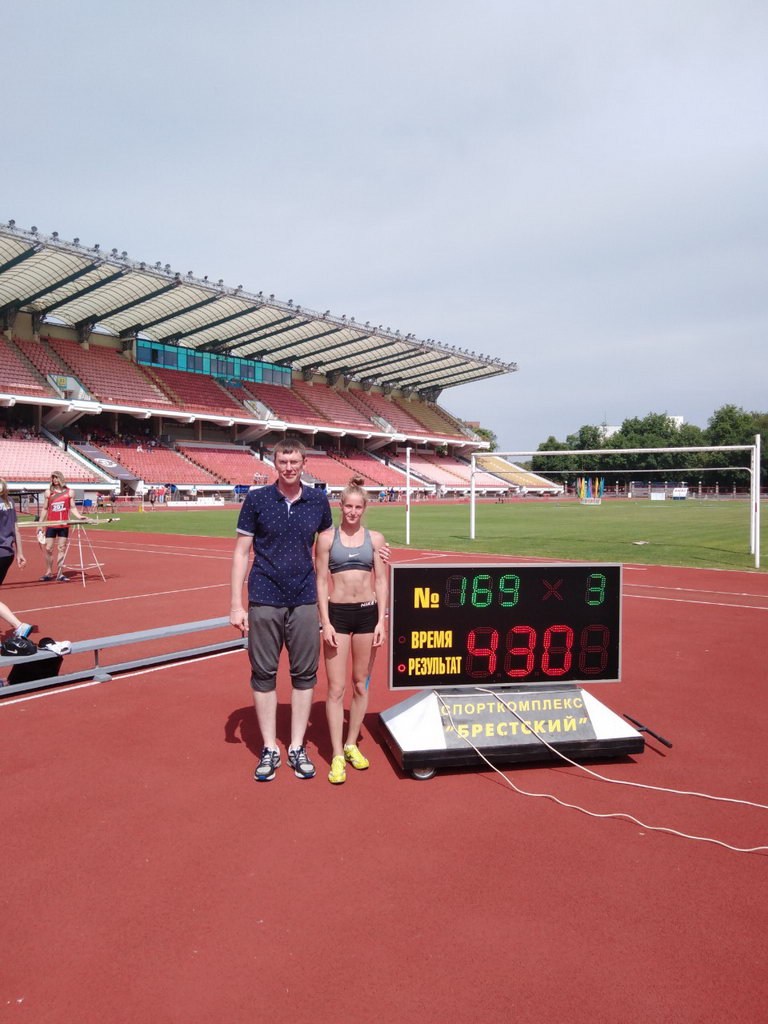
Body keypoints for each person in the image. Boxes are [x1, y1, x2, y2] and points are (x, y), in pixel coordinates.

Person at [230, 439, 333, 782]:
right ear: (274, 464)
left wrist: (372, 547)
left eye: (294, 462)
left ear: (304, 464)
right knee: (263, 674)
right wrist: (236, 604)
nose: (289, 467)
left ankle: (297, 746)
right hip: (264, 597)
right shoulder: (257, 499)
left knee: (304, 675)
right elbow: (241, 552)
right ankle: (269, 747)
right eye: (283, 462)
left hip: (304, 598)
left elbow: (329, 547)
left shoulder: (318, 500)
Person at [315, 477, 388, 784]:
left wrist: (382, 620)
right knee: (335, 689)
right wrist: (325, 621)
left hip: (367, 615)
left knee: (360, 684)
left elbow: (381, 580)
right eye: (348, 506)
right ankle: (335, 754)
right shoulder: (327, 539)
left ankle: (350, 744)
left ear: (364, 508)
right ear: (340, 506)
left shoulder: (376, 539)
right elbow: (321, 581)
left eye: (358, 507)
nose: (353, 512)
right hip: (338, 616)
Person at [38, 471, 88, 582]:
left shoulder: (70, 492)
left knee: (61, 548)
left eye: (56, 477)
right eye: (53, 478)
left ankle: (60, 573)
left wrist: (79, 516)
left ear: (61, 478)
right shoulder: (48, 493)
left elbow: (72, 507)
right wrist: (40, 524)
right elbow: (45, 509)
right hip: (51, 524)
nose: (55, 480)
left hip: (64, 525)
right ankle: (48, 572)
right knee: (48, 548)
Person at [0, 479, 31, 638]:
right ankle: (19, 626)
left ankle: (18, 625)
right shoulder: (10, 501)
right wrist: (20, 553)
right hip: (7, 553)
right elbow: (16, 529)